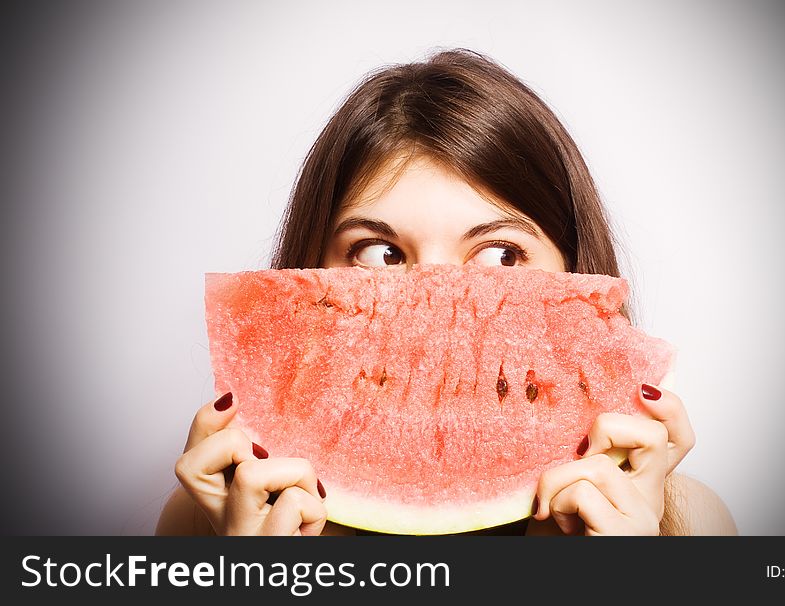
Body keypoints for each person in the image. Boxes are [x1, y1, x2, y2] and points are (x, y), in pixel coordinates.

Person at [156, 48, 737, 536]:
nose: (436, 305)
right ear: (309, 266)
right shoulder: (204, 521)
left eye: (501, 255)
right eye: (380, 254)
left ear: (573, 266)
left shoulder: (691, 524)